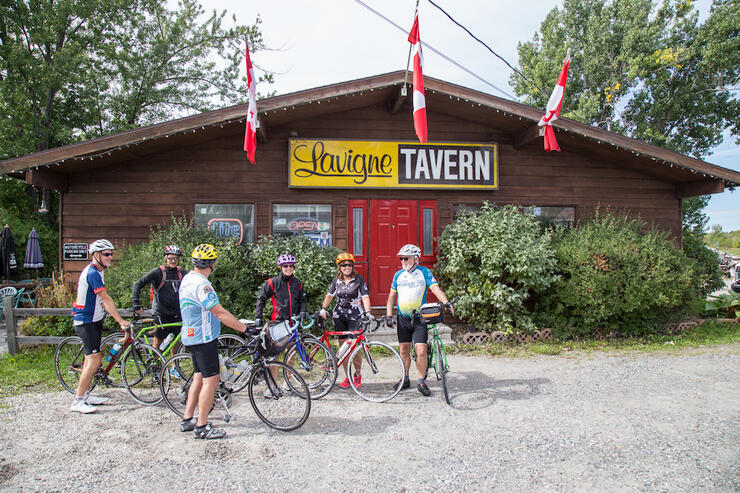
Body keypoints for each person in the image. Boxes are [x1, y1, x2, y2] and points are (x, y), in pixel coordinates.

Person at [178, 244, 249, 439]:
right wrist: (244, 328)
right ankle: (202, 427)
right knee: (211, 380)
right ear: (212, 264)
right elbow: (218, 312)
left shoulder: (187, 279)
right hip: (204, 337)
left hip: (191, 336)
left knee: (199, 377)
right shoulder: (202, 284)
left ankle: (187, 419)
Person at [70, 239, 131, 414]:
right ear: (96, 255)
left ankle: (86, 395)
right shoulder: (92, 273)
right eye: (106, 254)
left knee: (93, 359)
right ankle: (78, 400)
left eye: (111, 253)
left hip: (94, 320)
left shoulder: (98, 271)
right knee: (94, 359)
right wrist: (120, 320)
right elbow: (105, 299)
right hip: (86, 321)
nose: (110, 257)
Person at [385, 244, 453, 397]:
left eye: (406, 258)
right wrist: (389, 315)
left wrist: (446, 302)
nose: (402, 261)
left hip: (420, 318)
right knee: (403, 350)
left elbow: (435, 289)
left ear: (415, 259)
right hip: (403, 318)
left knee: (421, 351)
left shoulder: (424, 272)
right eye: (401, 258)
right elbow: (391, 297)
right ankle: (406, 378)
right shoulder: (398, 275)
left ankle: (421, 381)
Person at [318, 252, 372, 388]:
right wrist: (323, 308)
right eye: (343, 265)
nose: (346, 267)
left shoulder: (359, 279)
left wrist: (368, 312)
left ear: (352, 266)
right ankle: (347, 377)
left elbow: (365, 296)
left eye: (349, 265)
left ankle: (357, 375)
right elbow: (329, 295)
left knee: (354, 346)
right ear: (339, 267)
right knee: (344, 347)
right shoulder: (336, 280)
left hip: (355, 317)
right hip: (339, 316)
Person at [131, 245, 188, 351]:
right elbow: (138, 284)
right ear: (165, 258)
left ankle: (173, 366)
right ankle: (155, 365)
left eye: (176, 258)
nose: (173, 261)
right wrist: (135, 303)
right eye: (171, 258)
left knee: (175, 342)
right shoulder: (158, 272)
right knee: (158, 341)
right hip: (161, 314)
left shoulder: (182, 273)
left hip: (177, 313)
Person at [254, 253, 308, 327]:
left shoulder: (298, 282)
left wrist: (303, 311)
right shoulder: (272, 282)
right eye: (285, 266)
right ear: (281, 267)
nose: (288, 268)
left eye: (291, 266)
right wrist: (258, 317)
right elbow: (261, 299)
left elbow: (302, 300)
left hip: (295, 322)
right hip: (279, 322)